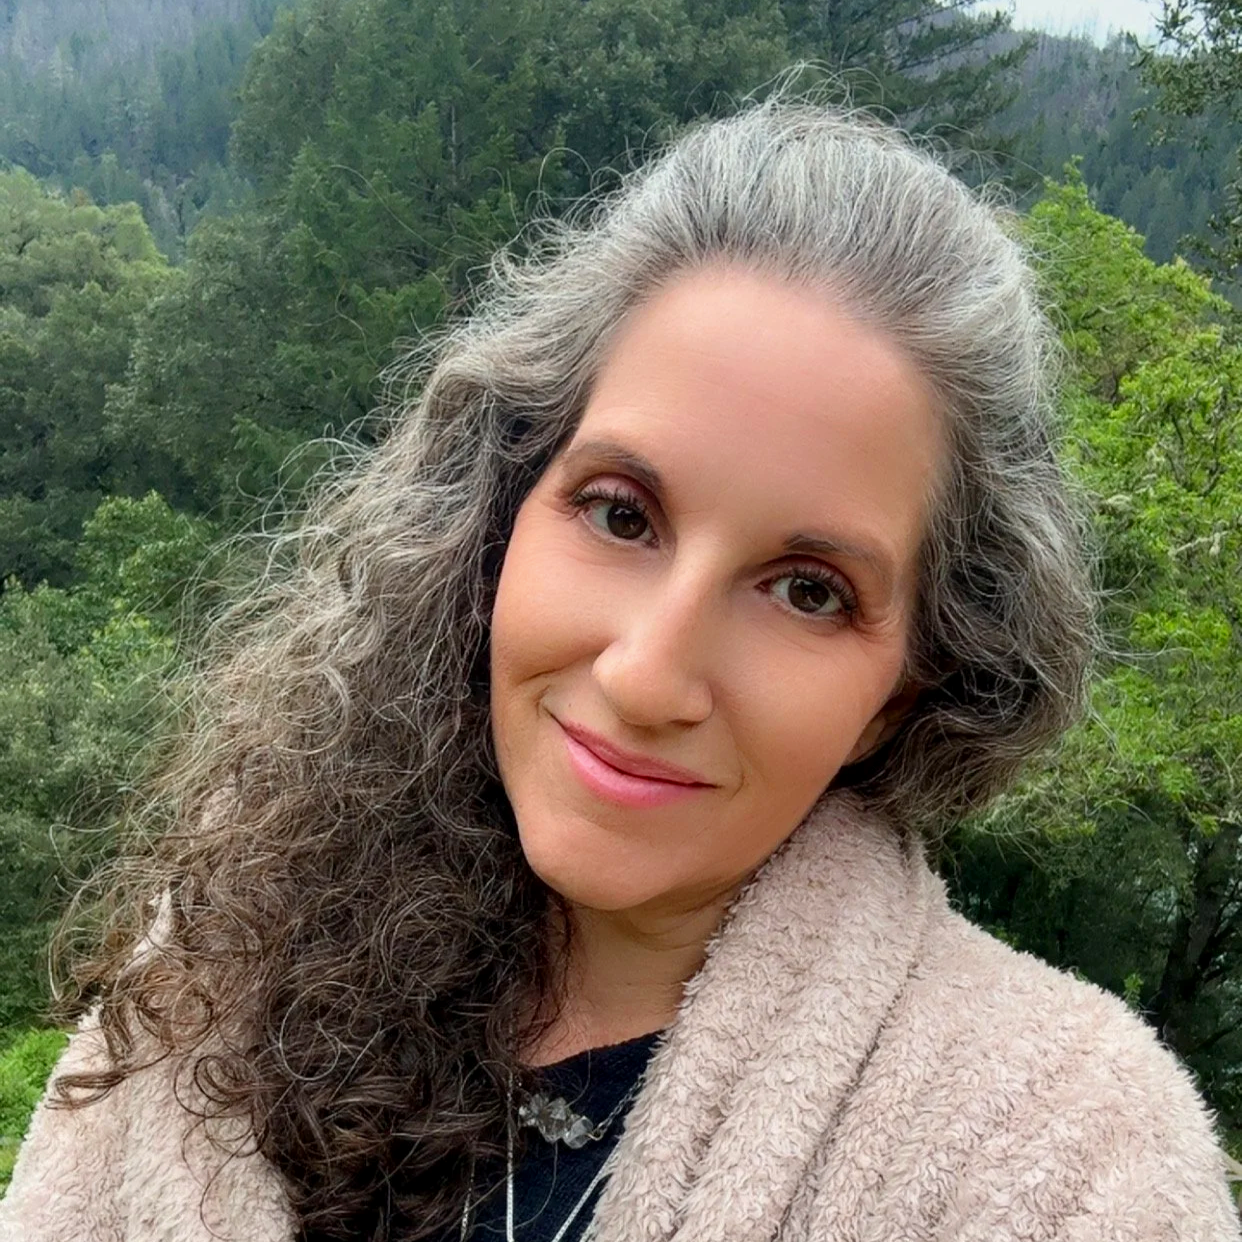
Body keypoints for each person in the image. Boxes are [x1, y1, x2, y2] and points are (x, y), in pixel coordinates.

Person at [2, 96, 1238, 1242]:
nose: (648, 677)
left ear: (907, 690)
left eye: (808, 591)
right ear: (499, 513)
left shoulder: (1070, 1157)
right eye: (620, 515)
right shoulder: (216, 974)